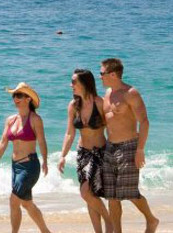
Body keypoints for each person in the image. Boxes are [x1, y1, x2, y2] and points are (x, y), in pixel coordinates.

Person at [100, 58, 159, 233]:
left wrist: (140, 149)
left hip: (129, 146)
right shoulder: (107, 94)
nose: (100, 77)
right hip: (110, 147)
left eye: (102, 73)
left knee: (129, 192)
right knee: (111, 195)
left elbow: (145, 122)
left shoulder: (130, 93)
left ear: (112, 74)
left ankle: (151, 219)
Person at [0, 82, 52, 233]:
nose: (15, 98)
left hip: (30, 166)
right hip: (15, 167)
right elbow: (3, 142)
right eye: (14, 95)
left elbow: (42, 141)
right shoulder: (11, 120)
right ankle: (46, 231)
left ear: (28, 98)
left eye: (19, 95)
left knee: (13, 201)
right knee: (26, 204)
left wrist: (45, 161)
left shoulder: (35, 119)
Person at [58, 69, 112, 233]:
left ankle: (109, 221)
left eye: (74, 82)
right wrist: (62, 156)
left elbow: (111, 129)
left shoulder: (100, 103)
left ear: (85, 83)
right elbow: (70, 133)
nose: (71, 85)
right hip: (83, 154)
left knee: (85, 192)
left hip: (100, 152)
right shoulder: (73, 105)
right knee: (89, 195)